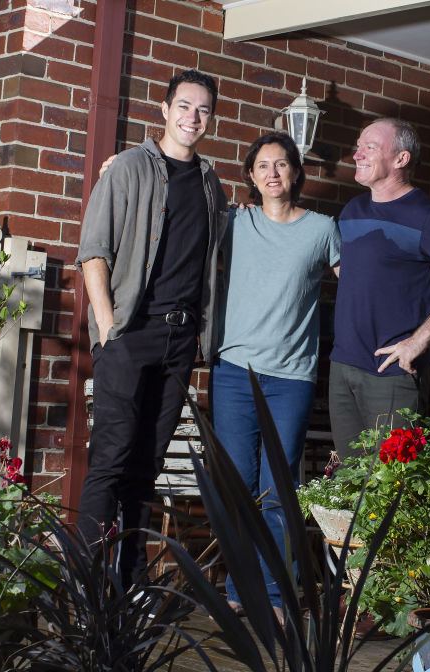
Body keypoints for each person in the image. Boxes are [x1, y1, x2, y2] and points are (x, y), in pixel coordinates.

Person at [75, 69, 228, 587]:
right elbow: (93, 251)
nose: (193, 117)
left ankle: (129, 580)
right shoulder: (128, 169)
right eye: (184, 106)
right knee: (111, 459)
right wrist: (109, 329)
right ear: (164, 110)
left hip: (180, 340)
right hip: (129, 335)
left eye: (203, 109)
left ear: (211, 118)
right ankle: (88, 585)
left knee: (147, 466)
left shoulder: (211, 183)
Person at [211, 132, 340, 615]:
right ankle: (239, 589)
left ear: (296, 173)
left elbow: (359, 287)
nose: (272, 173)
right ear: (250, 175)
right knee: (237, 484)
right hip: (232, 373)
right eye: (262, 165)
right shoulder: (233, 224)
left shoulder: (322, 230)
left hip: (291, 378)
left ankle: (273, 591)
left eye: (281, 165)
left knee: (278, 487)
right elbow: (176, 221)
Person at [329, 117, 430, 458]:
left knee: (391, 488)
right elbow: (356, 274)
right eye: (359, 146)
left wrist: (419, 340)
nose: (357, 154)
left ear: (401, 159)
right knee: (346, 483)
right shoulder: (352, 210)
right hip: (343, 366)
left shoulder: (427, 217)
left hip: (390, 373)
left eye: (370, 148)